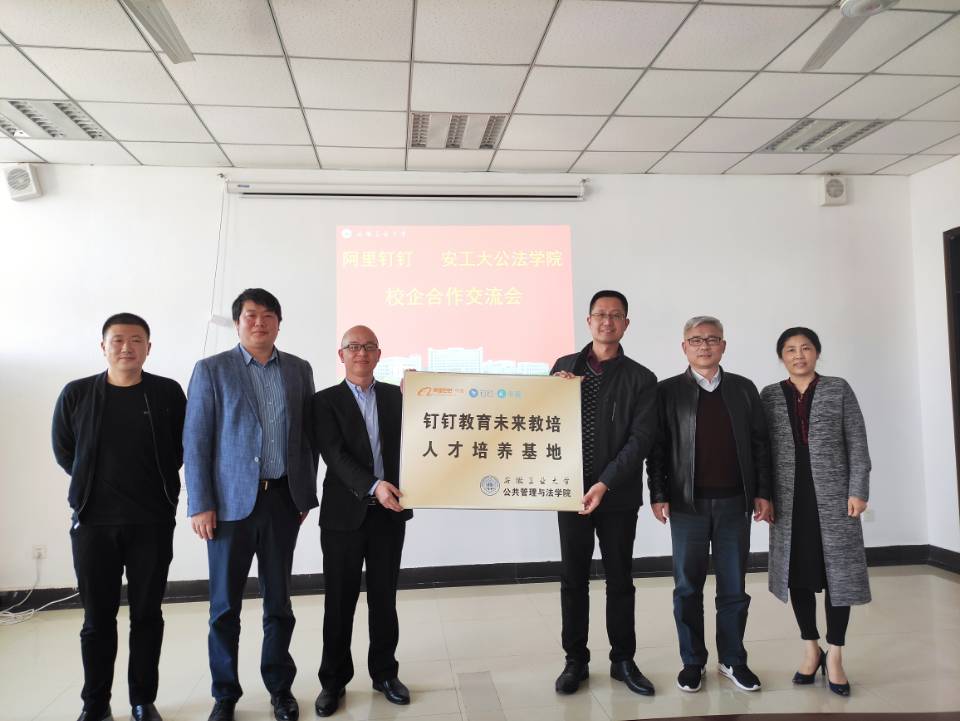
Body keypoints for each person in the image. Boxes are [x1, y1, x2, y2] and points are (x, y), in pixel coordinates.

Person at [183, 288, 318, 721]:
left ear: (279, 322)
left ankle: (280, 689)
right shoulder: (211, 370)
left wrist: (303, 492)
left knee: (279, 603)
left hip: (282, 500)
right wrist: (200, 503)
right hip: (228, 508)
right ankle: (225, 695)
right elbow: (196, 441)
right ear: (238, 322)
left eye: (267, 315)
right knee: (224, 607)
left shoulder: (298, 369)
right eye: (250, 315)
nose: (259, 322)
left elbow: (308, 437)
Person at [52, 313, 186, 721]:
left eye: (136, 340)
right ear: (103, 346)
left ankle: (142, 700)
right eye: (118, 340)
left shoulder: (166, 393)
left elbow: (181, 447)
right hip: (94, 523)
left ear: (149, 347)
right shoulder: (77, 394)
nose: (127, 347)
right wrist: (92, 483)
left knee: (147, 615)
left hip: (152, 523)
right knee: (97, 619)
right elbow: (65, 450)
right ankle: (95, 704)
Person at [647, 316, 773, 694]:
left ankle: (733, 659)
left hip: (735, 503)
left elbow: (760, 445)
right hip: (688, 505)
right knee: (687, 587)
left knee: (734, 587)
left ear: (723, 345)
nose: (705, 346)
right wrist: (658, 493)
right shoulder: (667, 392)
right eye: (696, 340)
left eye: (712, 339)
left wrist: (763, 491)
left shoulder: (744, 389)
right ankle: (693, 661)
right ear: (684, 347)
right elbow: (657, 449)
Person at [550, 290, 658, 696]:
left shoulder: (641, 378)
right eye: (600, 314)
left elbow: (640, 439)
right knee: (572, 579)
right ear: (588, 320)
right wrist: (553, 393)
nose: (607, 321)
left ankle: (623, 660)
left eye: (615, 315)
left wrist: (605, 481)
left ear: (626, 324)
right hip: (569, 493)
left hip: (617, 495)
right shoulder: (563, 368)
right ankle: (575, 660)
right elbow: (540, 421)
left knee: (620, 580)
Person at [761, 327, 871, 697]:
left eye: (806, 348)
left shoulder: (838, 389)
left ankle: (835, 654)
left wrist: (858, 489)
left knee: (840, 577)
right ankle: (811, 648)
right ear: (781, 357)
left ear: (817, 352)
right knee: (798, 575)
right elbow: (762, 452)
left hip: (835, 496)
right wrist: (764, 496)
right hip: (788, 499)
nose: (799, 355)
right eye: (790, 349)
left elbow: (857, 441)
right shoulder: (769, 395)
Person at [311, 326, 412, 717]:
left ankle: (385, 674)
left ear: (379, 354)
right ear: (342, 355)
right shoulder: (324, 401)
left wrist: (424, 394)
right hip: (343, 516)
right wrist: (373, 486)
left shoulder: (396, 397)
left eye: (369, 347)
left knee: (384, 599)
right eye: (354, 347)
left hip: (390, 514)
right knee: (339, 602)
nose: (362, 353)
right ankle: (333, 682)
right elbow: (334, 455)